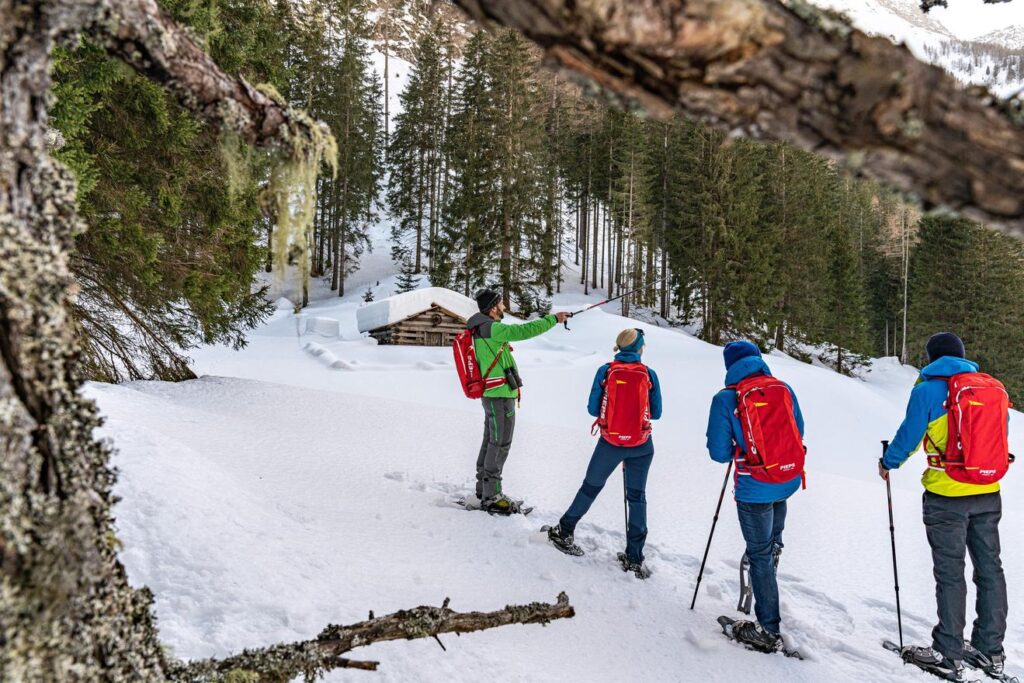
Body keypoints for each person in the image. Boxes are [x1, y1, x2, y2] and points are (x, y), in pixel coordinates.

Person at [880, 332, 1009, 681]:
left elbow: (908, 436)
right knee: (990, 569)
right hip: (987, 490)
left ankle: (947, 652)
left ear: (932, 358)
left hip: (946, 496)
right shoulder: (991, 389)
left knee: (950, 572)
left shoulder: (927, 391)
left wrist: (888, 463)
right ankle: (990, 650)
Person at [706, 340, 805, 653]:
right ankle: (766, 595)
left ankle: (767, 629)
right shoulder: (783, 388)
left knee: (759, 554)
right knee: (772, 545)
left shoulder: (726, 398)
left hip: (754, 487)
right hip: (786, 479)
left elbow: (719, 453)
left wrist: (740, 448)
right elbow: (797, 431)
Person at [545, 328, 662, 578]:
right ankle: (634, 557)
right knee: (637, 497)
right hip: (641, 445)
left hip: (610, 443)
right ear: (639, 348)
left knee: (590, 487)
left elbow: (591, 409)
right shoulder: (649, 374)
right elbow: (657, 412)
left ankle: (564, 530)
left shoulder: (606, 370)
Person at [465, 289, 570, 514]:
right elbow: (524, 330)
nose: (503, 307)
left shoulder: (480, 327)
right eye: (501, 303)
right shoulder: (492, 327)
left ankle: (483, 490)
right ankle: (492, 495)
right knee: (500, 443)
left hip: (493, 394)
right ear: (493, 307)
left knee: (490, 441)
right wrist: (554, 318)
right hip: (500, 395)